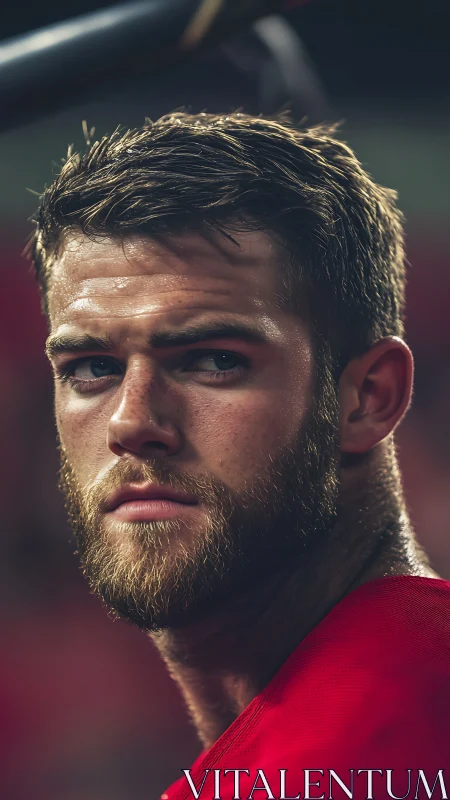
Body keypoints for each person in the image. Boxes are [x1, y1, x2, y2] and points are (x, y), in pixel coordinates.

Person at [30, 113, 450, 800]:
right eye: (91, 369)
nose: (133, 422)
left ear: (369, 397)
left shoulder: (371, 743)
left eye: (214, 360)